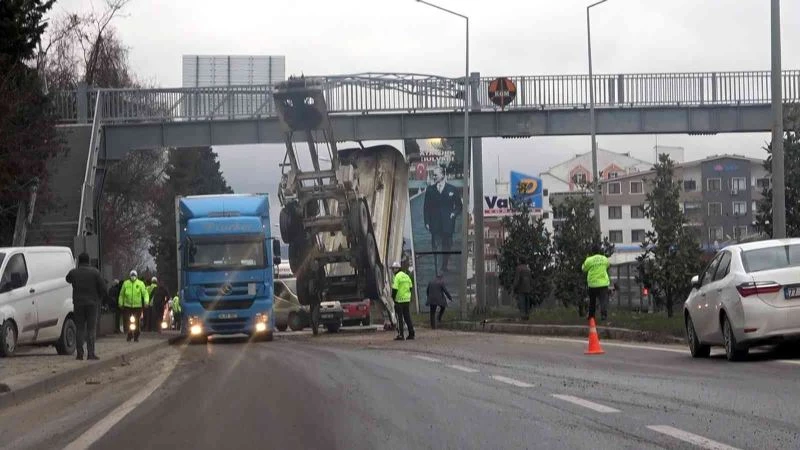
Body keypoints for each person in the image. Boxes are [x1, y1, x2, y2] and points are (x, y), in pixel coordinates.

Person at [65, 253, 107, 360]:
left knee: (79, 329)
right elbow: (103, 288)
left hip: (78, 304)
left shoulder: (74, 273)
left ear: (79, 261)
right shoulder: (95, 273)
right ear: (88, 261)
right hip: (92, 304)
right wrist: (99, 298)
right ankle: (91, 353)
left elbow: (67, 279)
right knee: (91, 329)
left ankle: (79, 353)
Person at [423, 166, 462, 273]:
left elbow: (459, 206)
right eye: (433, 175)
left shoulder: (452, 189)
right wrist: (426, 222)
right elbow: (426, 208)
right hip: (435, 224)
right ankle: (438, 269)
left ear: (442, 175)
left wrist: (453, 214)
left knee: (447, 246)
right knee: (436, 246)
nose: (434, 177)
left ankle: (444, 265)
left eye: (435, 174)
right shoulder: (430, 190)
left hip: (448, 224)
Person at [118, 270, 149, 342]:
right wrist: (120, 303)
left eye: (134, 275)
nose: (133, 276)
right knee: (128, 321)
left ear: (137, 276)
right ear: (129, 276)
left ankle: (136, 335)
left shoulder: (140, 284)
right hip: (127, 306)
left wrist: (146, 302)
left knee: (137, 321)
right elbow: (121, 295)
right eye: (132, 275)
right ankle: (129, 334)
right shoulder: (126, 283)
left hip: (137, 306)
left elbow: (145, 294)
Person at [582, 244, 611, 321]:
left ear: (592, 251)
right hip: (603, 283)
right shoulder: (604, 259)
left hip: (593, 284)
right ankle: (603, 315)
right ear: (599, 251)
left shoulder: (589, 260)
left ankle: (591, 316)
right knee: (603, 300)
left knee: (592, 301)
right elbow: (608, 265)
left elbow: (583, 269)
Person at [391, 261, 414, 341]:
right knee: (407, 317)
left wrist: (393, 298)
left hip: (399, 301)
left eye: (393, 269)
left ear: (396, 269)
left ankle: (401, 335)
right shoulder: (406, 276)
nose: (393, 270)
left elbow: (394, 289)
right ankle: (411, 334)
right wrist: (407, 295)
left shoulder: (397, 277)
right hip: (406, 300)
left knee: (399, 318)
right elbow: (411, 287)